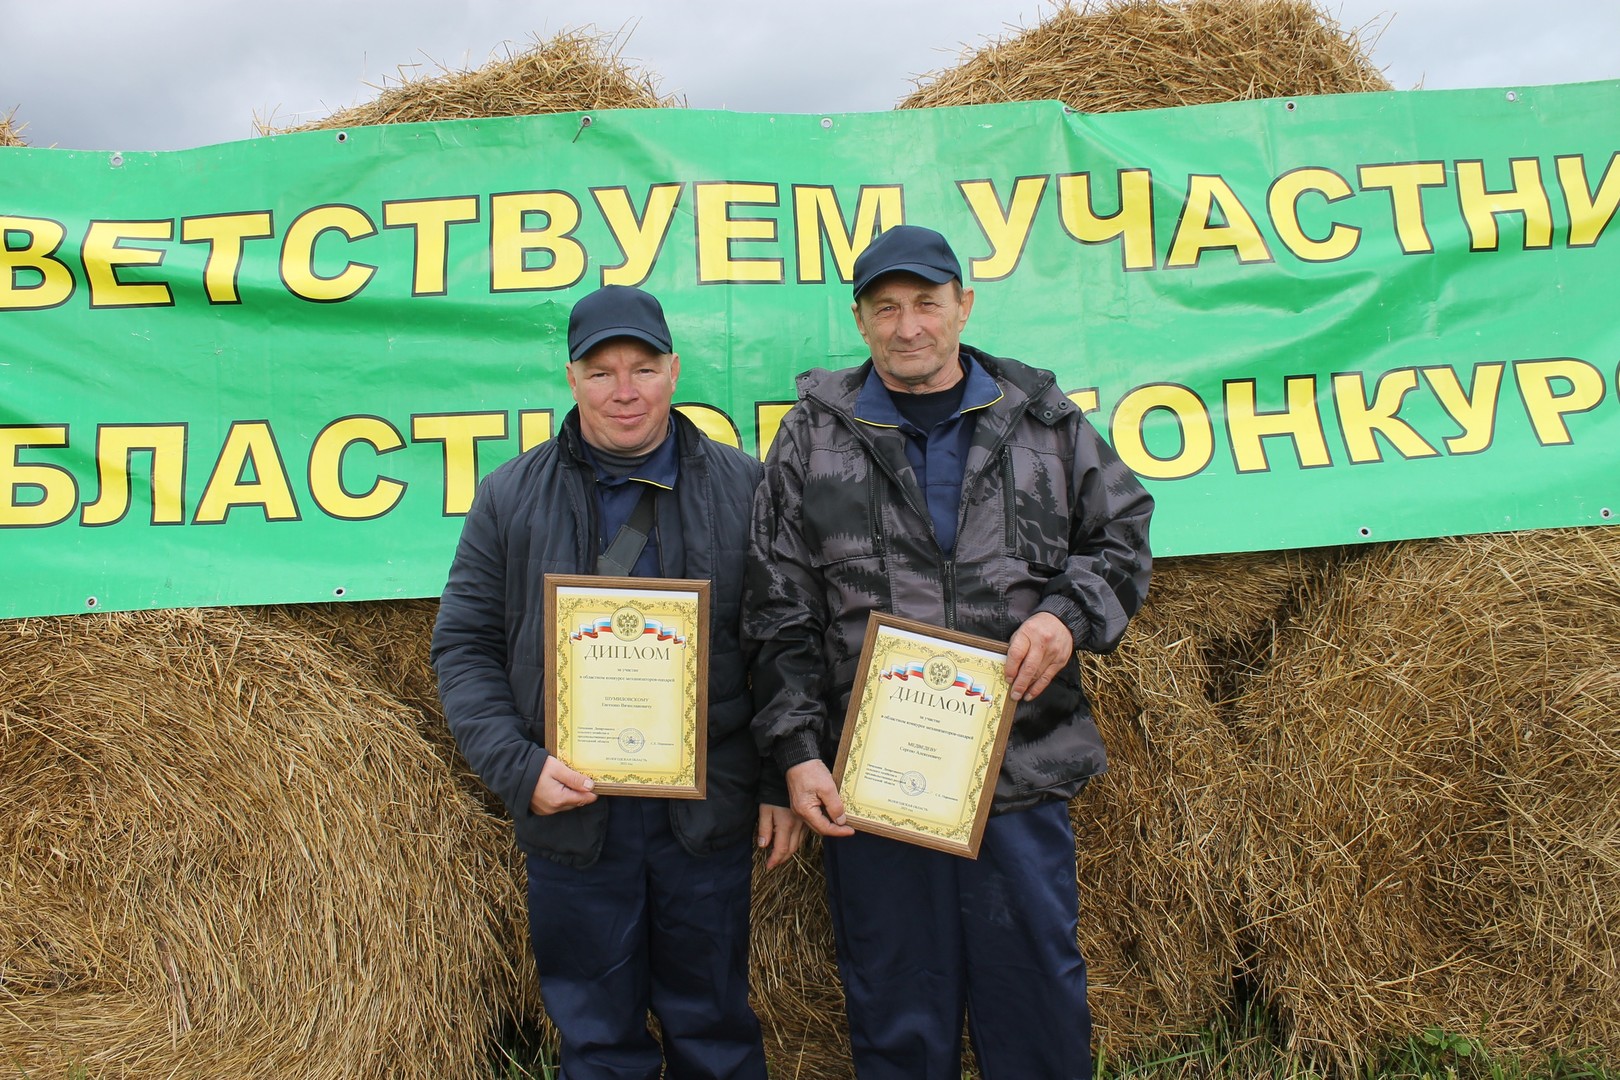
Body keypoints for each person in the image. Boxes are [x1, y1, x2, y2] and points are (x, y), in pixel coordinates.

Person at [744, 225, 1154, 1079]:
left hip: (1018, 770)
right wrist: (795, 752)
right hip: (877, 782)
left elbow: (1121, 535)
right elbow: (778, 606)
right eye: (885, 308)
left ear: (963, 305)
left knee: (1037, 998)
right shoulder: (812, 437)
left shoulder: (1044, 423)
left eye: (927, 304)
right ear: (858, 320)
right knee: (896, 1006)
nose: (908, 327)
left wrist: (1064, 618)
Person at [432, 284, 803, 1079]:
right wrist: (518, 767)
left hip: (705, 812)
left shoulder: (747, 487)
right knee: (597, 1040)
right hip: (572, 815)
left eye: (642, 368)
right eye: (602, 372)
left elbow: (782, 644)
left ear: (674, 371)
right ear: (571, 378)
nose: (624, 390)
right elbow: (462, 647)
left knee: (715, 1029)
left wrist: (778, 777)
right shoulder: (508, 497)